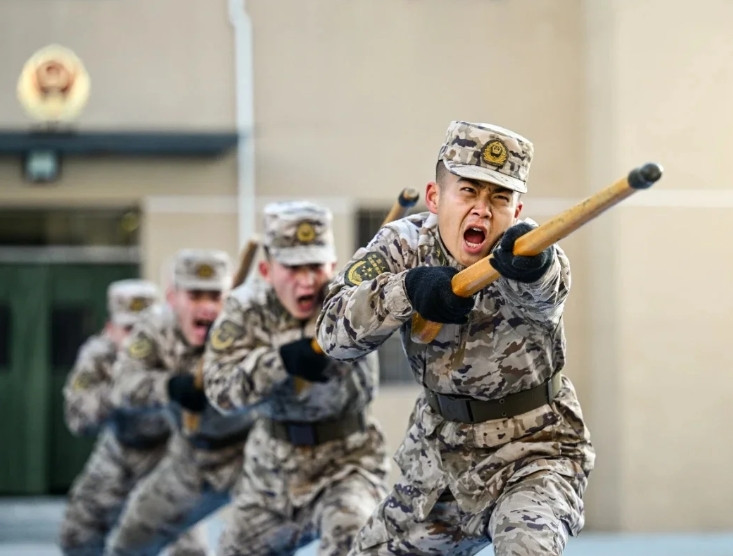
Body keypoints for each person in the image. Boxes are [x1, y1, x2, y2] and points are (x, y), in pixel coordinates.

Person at [316, 121, 596, 555]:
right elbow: (332, 333)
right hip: (440, 461)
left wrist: (533, 268)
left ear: (517, 212)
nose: (483, 210)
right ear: (435, 197)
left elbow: (547, 292)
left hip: (535, 454)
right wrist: (407, 290)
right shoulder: (402, 247)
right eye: (468, 191)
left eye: (499, 198)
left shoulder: (532, 253)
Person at [202, 201, 389, 556]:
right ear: (266, 268)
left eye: (315, 266)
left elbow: (393, 312)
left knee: (352, 534)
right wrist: (281, 362)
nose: (306, 280)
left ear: (332, 265)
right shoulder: (244, 309)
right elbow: (220, 392)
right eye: (292, 267)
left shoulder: (350, 299)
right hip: (271, 473)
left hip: (347, 463)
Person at [105, 249, 255, 556]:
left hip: (252, 456)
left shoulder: (249, 327)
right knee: (128, 543)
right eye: (195, 296)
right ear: (173, 297)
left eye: (215, 296)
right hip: (191, 458)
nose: (207, 306)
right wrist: (169, 387)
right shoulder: (155, 329)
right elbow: (122, 387)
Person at [59, 279, 205, 555]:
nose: (136, 340)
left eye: (144, 329)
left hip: (168, 452)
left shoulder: (177, 351)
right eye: (128, 329)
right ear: (109, 328)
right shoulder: (98, 355)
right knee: (76, 533)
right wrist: (124, 390)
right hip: (119, 451)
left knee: (187, 548)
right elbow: (78, 420)